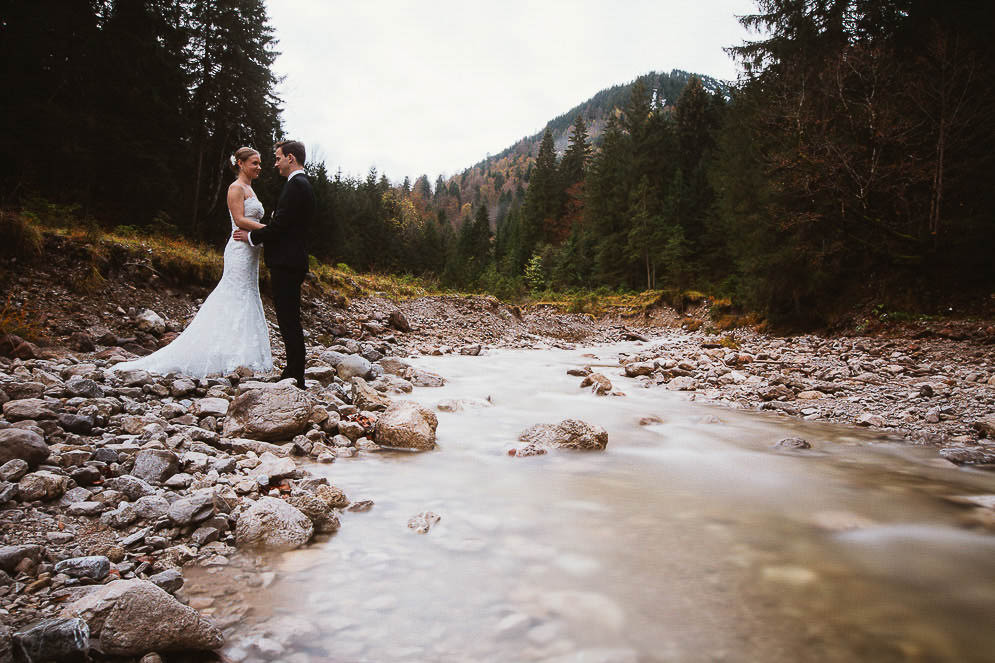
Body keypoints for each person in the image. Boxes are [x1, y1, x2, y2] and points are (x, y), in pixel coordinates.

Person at [111, 147, 273, 378]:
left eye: (260, 163)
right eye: (255, 163)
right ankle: (222, 354)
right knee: (234, 294)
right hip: (239, 249)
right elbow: (239, 220)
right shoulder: (235, 188)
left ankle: (242, 354)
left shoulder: (251, 190)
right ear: (240, 163)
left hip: (251, 251)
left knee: (248, 295)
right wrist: (272, 230)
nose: (259, 167)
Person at [233, 139, 313, 389]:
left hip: (287, 262)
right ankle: (293, 371)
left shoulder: (296, 185)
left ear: (291, 158)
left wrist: (251, 236)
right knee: (290, 318)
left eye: (278, 158)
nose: (275, 163)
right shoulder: (301, 184)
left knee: (288, 320)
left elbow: (281, 228)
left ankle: (295, 377)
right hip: (292, 260)